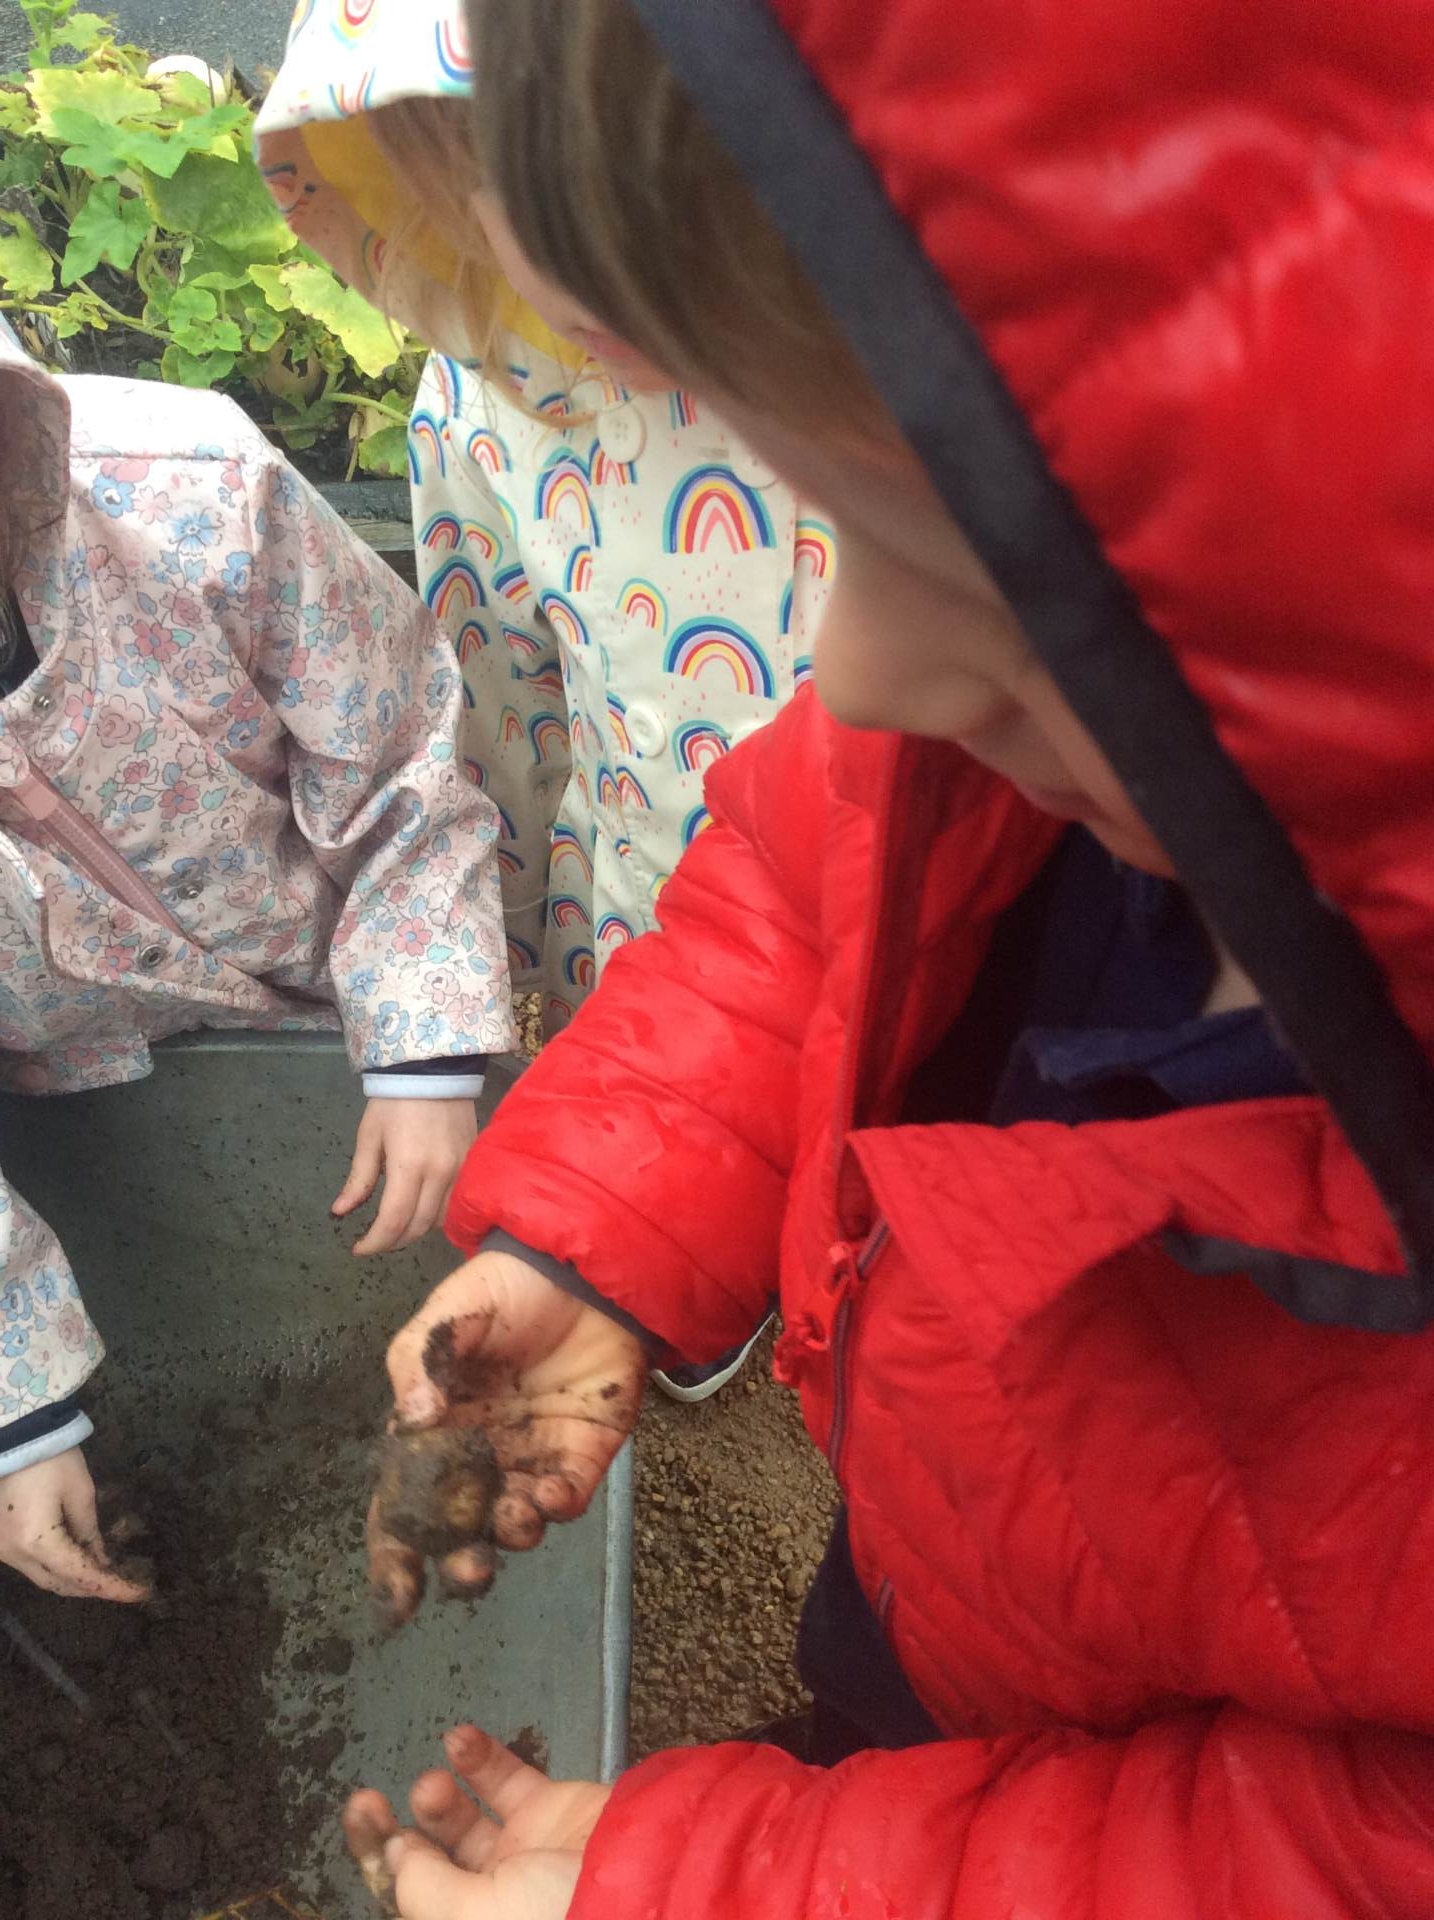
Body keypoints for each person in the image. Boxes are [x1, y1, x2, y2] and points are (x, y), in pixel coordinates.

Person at [352, 0, 1434, 1915]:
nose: (848, 670)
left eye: (973, 574)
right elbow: (801, 907)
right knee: (887, 1701)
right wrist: (601, 1234)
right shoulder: (1003, 755)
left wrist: (746, 1884)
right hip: (972, 1549)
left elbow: (1345, 1855)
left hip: (1153, 1769)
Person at [256, 0, 834, 1399]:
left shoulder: (879, 399)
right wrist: (497, 929)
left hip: (879, 918)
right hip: (631, 918)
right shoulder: (486, 400)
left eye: (629, 199)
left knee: (864, 1156)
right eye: (495, 192)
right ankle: (684, 1260)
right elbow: (494, 686)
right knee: (657, 1157)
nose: (568, 267)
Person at [0, 327, 513, 1600]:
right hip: (68, 1080)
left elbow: (400, 757)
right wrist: (21, 1407)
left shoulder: (188, 490)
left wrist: (424, 1050)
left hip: (336, 978)